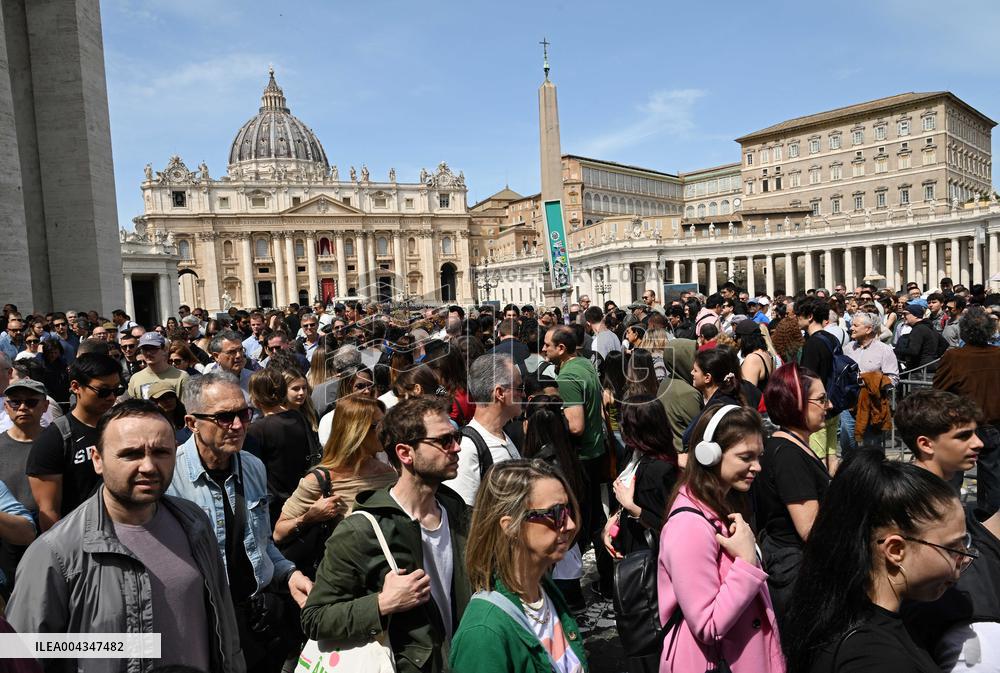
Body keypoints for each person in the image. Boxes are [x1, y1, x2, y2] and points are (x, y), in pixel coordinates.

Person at [7, 399, 243, 672]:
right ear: (98, 459)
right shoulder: (55, 553)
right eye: (131, 454)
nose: (148, 466)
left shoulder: (195, 523)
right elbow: (21, 653)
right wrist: (122, 645)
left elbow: (223, 624)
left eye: (161, 452)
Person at [301, 396, 471, 673]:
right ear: (406, 453)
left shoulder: (457, 511)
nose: (456, 447)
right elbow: (315, 618)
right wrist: (381, 604)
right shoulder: (361, 530)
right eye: (444, 441)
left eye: (456, 436)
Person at [167, 372, 311, 672]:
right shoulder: (169, 477)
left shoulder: (253, 466)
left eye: (244, 414)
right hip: (204, 628)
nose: (238, 425)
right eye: (224, 417)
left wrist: (288, 574)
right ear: (192, 423)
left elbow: (261, 542)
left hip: (257, 621)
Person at [783, 452, 970, 673]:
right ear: (895, 550)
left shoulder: (844, 612)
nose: (965, 556)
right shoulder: (875, 660)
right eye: (953, 547)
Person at [657, 404, 783, 673]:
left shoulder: (722, 505)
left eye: (759, 456)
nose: (757, 467)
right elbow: (707, 624)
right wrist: (747, 564)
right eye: (745, 457)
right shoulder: (688, 526)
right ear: (709, 455)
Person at [449, 459, 586, 673]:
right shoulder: (484, 634)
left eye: (568, 510)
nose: (570, 524)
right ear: (510, 526)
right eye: (555, 513)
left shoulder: (544, 590)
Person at [895, 390, 999, 670]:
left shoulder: (943, 490)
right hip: (941, 626)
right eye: (963, 436)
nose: (978, 443)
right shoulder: (904, 499)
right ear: (926, 444)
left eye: (976, 433)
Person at [752, 363, 832, 618]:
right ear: (796, 402)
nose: (828, 406)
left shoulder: (790, 445)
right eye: (821, 399)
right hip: (796, 573)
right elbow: (810, 528)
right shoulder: (789, 456)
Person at [273, 395, 396, 552]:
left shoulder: (388, 475)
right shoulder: (320, 480)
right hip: (342, 572)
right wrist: (308, 518)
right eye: (378, 426)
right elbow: (278, 533)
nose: (386, 432)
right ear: (357, 431)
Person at [543, 325, 611, 595]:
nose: (543, 348)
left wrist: (549, 419)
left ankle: (570, 590)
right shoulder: (583, 364)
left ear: (561, 349)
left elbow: (576, 426)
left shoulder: (568, 377)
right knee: (594, 521)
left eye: (548, 345)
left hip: (580, 457)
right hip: (595, 452)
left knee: (577, 524)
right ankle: (607, 581)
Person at [27, 353, 122, 531]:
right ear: (76, 387)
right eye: (103, 391)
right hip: (79, 537)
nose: (111, 397)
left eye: (117, 390)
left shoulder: (121, 428)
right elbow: (49, 511)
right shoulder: (55, 439)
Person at [519, 394, 587, 611]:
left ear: (530, 425)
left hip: (555, 556)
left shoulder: (543, 467)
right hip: (570, 549)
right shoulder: (570, 457)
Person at [934, 306, 1000, 513]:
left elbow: (939, 390)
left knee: (954, 471)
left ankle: (953, 514)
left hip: (964, 424)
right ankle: (989, 520)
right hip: (990, 424)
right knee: (992, 475)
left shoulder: (955, 357)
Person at [444, 355, 522, 506]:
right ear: (499, 393)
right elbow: (464, 515)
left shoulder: (501, 435)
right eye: (519, 388)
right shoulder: (467, 448)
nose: (523, 394)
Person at [247, 368, 320, 526]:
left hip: (276, 510)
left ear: (255, 397)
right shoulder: (299, 417)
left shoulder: (256, 430)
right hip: (304, 498)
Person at [841, 311, 899, 457]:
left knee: (872, 448)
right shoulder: (847, 348)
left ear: (868, 329)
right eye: (851, 325)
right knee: (847, 444)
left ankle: (872, 477)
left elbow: (893, 378)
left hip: (873, 406)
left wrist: (871, 381)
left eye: (855, 325)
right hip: (849, 404)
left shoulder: (884, 350)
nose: (851, 328)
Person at [796, 295, 841, 472]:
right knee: (832, 453)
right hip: (833, 402)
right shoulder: (832, 338)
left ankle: (823, 493)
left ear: (810, 317)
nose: (796, 319)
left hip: (816, 404)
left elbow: (808, 378)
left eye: (799, 315)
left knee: (817, 454)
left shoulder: (812, 344)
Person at [682, 346, 747, 449]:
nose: (691, 373)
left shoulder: (719, 404)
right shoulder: (720, 397)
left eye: (695, 370)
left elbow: (688, 438)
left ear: (707, 377)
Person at [127, 332, 189, 400]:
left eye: (153, 348)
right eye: (145, 349)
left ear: (164, 349)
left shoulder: (181, 377)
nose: (148, 353)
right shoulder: (135, 379)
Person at [736, 320, 774, 393]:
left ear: (743, 338)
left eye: (737, 337)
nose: (735, 340)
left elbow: (747, 393)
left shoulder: (752, 358)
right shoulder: (766, 354)